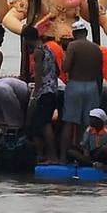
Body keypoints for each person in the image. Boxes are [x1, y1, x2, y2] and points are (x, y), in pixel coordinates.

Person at [61, 24, 106, 154]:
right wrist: (98, 90)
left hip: (75, 84)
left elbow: (66, 67)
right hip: (92, 86)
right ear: (86, 32)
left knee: (69, 122)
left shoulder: (73, 46)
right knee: (88, 124)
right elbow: (99, 73)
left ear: (74, 34)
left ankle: (63, 157)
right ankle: (85, 154)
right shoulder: (96, 48)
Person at [23, 26, 63, 162]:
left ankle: (51, 156)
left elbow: (38, 78)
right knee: (43, 123)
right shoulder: (49, 49)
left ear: (27, 39)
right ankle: (47, 155)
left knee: (42, 124)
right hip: (53, 89)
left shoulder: (38, 52)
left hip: (44, 92)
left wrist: (34, 96)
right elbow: (57, 71)